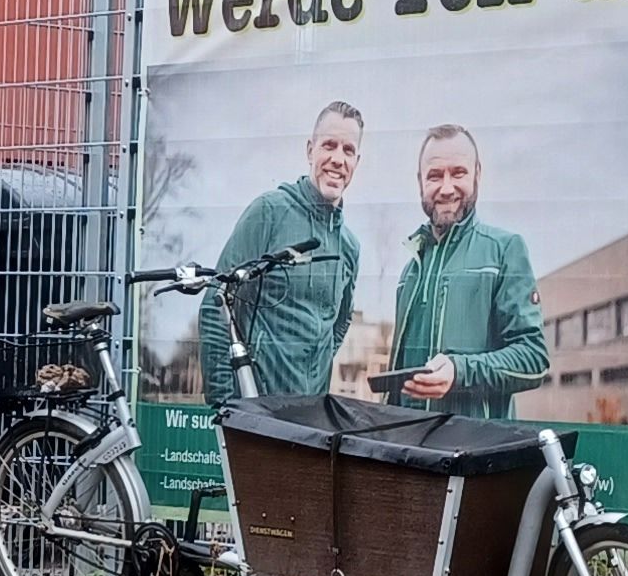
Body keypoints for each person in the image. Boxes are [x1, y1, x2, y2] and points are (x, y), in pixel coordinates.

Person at [201, 102, 364, 403]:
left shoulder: (350, 247)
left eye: (348, 150)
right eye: (329, 145)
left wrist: (315, 364)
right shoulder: (269, 212)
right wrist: (224, 403)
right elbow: (216, 303)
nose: (338, 159)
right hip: (255, 413)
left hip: (310, 418)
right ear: (310, 150)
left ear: (356, 161)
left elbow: (339, 322)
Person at [387, 124, 549, 419]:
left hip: (476, 454)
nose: (446, 188)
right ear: (420, 181)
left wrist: (460, 371)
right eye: (435, 175)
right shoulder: (409, 273)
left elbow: (534, 358)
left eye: (458, 173)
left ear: (477, 175)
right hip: (410, 452)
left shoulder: (504, 250)